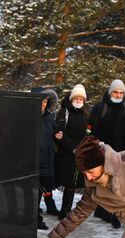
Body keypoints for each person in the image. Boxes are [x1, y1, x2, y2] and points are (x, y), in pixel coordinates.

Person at [88, 79, 125, 228]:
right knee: (102, 181)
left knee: (115, 182)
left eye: (121, 93)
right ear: (110, 92)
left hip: (118, 152)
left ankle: (110, 212)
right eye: (116, 92)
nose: (118, 95)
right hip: (102, 149)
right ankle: (101, 209)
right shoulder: (100, 107)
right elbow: (91, 128)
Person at [54, 84, 89, 219]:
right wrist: (72, 148)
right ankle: (62, 210)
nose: (79, 101)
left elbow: (87, 131)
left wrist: (82, 147)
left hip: (79, 152)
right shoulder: (65, 111)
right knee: (66, 181)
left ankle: (66, 209)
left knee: (73, 183)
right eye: (77, 98)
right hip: (66, 153)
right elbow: (61, 132)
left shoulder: (85, 112)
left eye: (81, 99)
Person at [33, 87, 60, 228]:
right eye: (40, 101)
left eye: (45, 102)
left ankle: (35, 218)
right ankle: (34, 219)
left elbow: (55, 132)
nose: (43, 104)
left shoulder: (49, 118)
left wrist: (58, 135)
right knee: (34, 193)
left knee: (40, 192)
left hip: (47, 161)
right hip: (35, 162)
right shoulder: (30, 117)